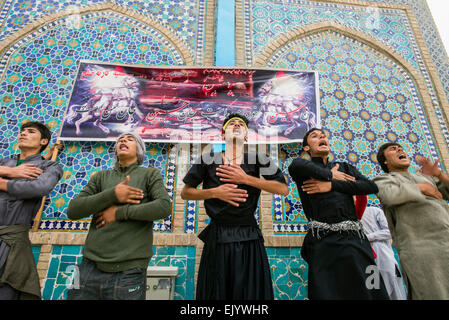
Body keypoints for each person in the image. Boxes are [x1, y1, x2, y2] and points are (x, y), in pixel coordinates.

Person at [181, 113, 289, 300]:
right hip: (218, 235)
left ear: (246, 136)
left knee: (250, 294)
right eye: (232, 124)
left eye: (241, 124)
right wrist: (215, 192)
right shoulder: (207, 159)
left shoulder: (259, 159)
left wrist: (245, 179)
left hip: (248, 234)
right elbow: (186, 192)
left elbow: (283, 189)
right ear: (223, 135)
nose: (237, 125)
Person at [66, 132, 171, 300]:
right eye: (120, 139)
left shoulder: (150, 174)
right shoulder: (100, 177)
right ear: (115, 151)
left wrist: (119, 213)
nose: (123, 140)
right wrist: (113, 194)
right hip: (87, 267)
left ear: (139, 151)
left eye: (130, 139)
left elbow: (164, 207)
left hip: (129, 272)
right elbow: (73, 210)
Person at [288, 128, 389, 300]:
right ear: (306, 148)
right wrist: (329, 175)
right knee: (326, 292)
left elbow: (371, 187)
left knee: (372, 288)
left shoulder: (346, 168)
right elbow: (295, 165)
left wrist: (332, 185)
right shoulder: (304, 168)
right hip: (322, 242)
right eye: (315, 136)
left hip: (356, 242)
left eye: (324, 135)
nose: (321, 137)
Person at [373, 142, 449, 299]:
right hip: (421, 250)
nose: (400, 149)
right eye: (393, 149)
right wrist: (421, 188)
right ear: (385, 161)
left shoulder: (423, 177)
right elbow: (390, 196)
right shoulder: (383, 180)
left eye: (400, 147)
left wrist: (438, 175)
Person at [0, 121, 63, 299]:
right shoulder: (4, 162)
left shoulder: (48, 167)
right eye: (22, 131)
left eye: (30, 131)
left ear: (43, 141)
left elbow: (38, 188)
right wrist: (10, 172)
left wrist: (3, 182)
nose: (23, 134)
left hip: (11, 241)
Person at [360, 205, 407, 300]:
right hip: (367, 260)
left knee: (394, 288)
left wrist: (368, 237)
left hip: (384, 256)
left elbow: (389, 231)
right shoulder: (349, 218)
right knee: (375, 289)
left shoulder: (374, 210)